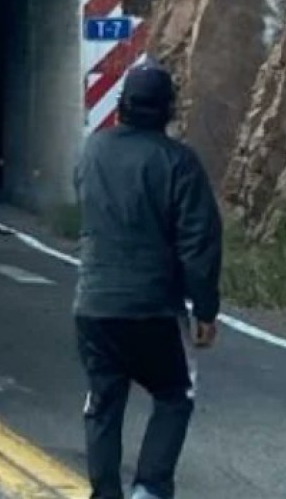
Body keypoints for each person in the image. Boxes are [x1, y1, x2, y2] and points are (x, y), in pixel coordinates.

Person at [70, 60, 224, 499]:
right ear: (168, 110)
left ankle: (105, 493)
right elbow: (199, 243)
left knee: (102, 400)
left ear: (121, 107)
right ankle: (150, 489)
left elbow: (81, 197)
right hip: (154, 308)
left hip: (94, 304)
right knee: (175, 393)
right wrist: (205, 310)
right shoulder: (179, 162)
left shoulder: (92, 151)